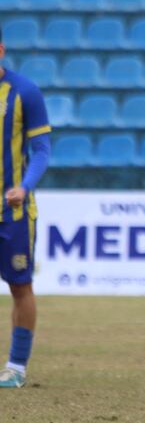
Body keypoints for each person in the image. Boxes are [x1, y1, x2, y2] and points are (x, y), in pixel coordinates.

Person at [0, 27, 53, 388]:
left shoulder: (24, 92)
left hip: (13, 212)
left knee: (21, 286)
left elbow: (42, 150)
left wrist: (25, 186)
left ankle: (16, 367)